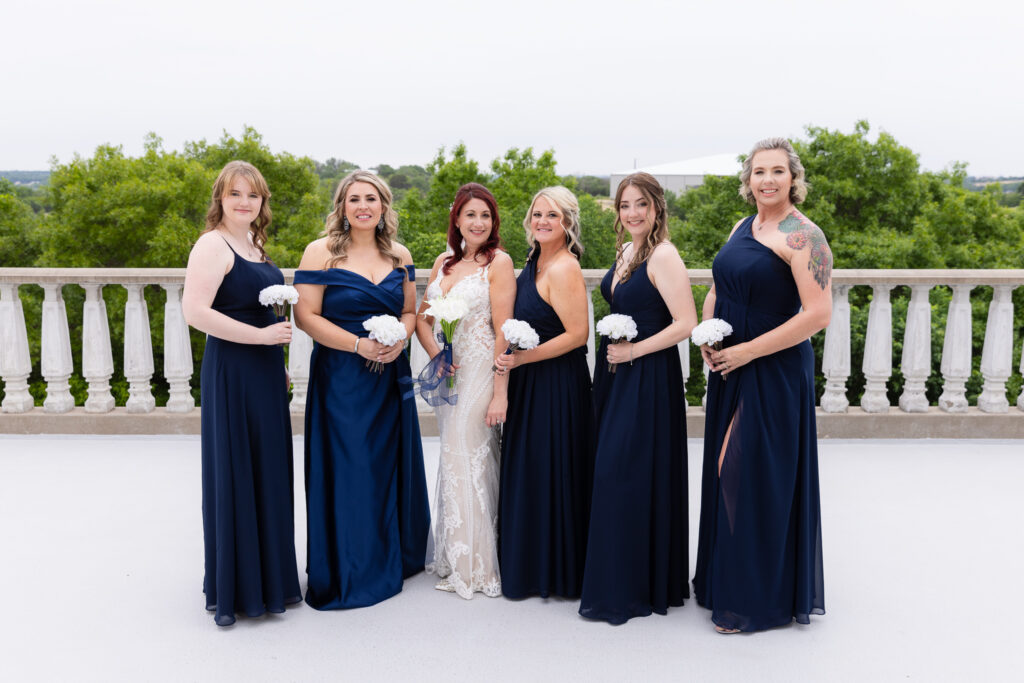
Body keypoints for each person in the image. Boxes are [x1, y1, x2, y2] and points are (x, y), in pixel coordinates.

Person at [693, 137, 830, 633]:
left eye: (777, 171)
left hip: (771, 369)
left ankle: (755, 600)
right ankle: (723, 582)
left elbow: (818, 314)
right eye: (758, 172)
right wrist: (707, 335)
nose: (767, 180)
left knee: (746, 473)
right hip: (729, 363)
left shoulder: (804, 237)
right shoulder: (742, 225)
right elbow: (719, 287)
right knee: (724, 471)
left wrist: (748, 351)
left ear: (793, 178)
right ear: (747, 180)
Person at [293, 170, 430, 610]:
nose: (363, 206)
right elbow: (307, 317)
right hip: (342, 377)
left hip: (390, 375)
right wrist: (357, 344)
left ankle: (395, 553)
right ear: (342, 206)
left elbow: (410, 310)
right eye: (354, 199)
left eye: (371, 198)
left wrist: (399, 340)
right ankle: (352, 565)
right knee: (351, 467)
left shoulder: (400, 255)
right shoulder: (320, 253)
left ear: (384, 206)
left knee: (388, 462)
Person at [182, 160, 301, 627]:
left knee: (268, 470)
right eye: (236, 194)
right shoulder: (212, 244)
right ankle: (239, 588)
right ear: (221, 199)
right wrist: (260, 341)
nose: (245, 202)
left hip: (266, 371)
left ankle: (271, 582)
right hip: (234, 369)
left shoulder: (253, 243)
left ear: (262, 202)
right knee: (237, 470)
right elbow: (195, 311)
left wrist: (280, 363)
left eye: (253, 195)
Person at [578, 172, 698, 625]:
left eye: (640, 205)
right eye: (625, 205)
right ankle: (624, 573)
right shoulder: (627, 250)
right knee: (614, 470)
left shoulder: (664, 255)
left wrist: (634, 350)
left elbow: (684, 322)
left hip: (647, 375)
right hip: (616, 375)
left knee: (624, 472)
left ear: (657, 208)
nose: (631, 213)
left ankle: (629, 587)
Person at [493, 186, 595, 599]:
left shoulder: (564, 267)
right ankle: (531, 565)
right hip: (530, 384)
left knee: (554, 470)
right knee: (532, 472)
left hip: (557, 386)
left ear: (568, 221)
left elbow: (577, 335)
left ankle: (556, 572)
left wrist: (521, 361)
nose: (543, 221)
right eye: (537, 214)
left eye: (552, 215)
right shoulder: (534, 260)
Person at [415, 183, 515, 599]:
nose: (478, 222)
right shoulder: (444, 262)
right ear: (456, 219)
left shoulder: (499, 263)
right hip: (451, 372)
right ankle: (454, 554)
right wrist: (439, 353)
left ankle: (477, 566)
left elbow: (504, 333)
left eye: (485, 215)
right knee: (452, 457)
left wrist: (500, 393)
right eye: (470, 214)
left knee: (470, 455)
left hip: (481, 374)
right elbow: (422, 319)